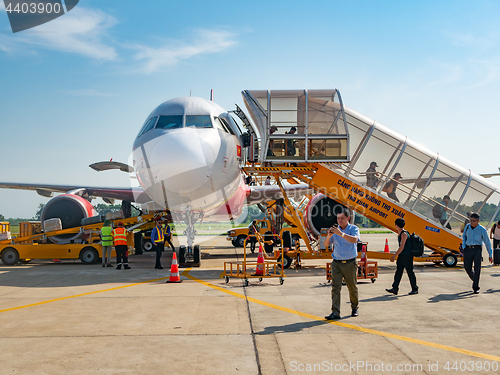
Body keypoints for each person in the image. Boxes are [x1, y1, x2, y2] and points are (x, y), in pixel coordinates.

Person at [324, 209, 360, 320]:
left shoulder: (353, 228)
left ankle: (354, 308)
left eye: (342, 218)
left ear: (348, 218)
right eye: (338, 218)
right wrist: (329, 236)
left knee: (352, 287)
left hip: (350, 262)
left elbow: (355, 240)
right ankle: (335, 312)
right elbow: (325, 244)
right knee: (335, 288)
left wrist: (341, 234)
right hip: (337, 263)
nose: (340, 221)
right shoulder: (334, 230)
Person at [385, 218, 418, 295]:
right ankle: (395, 288)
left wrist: (394, 256)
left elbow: (402, 247)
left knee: (410, 272)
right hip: (402, 256)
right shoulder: (400, 234)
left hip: (407, 256)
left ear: (396, 225)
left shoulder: (404, 234)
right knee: (398, 272)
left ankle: (415, 288)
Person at [462, 213, 493, 294]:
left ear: (478, 221)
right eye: (470, 220)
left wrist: (490, 255)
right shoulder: (467, 226)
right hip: (468, 249)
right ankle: (475, 279)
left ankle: (476, 287)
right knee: (467, 267)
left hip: (477, 249)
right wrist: (464, 246)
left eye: (473, 221)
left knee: (477, 268)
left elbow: (487, 242)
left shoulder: (482, 230)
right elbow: (464, 236)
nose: (471, 222)